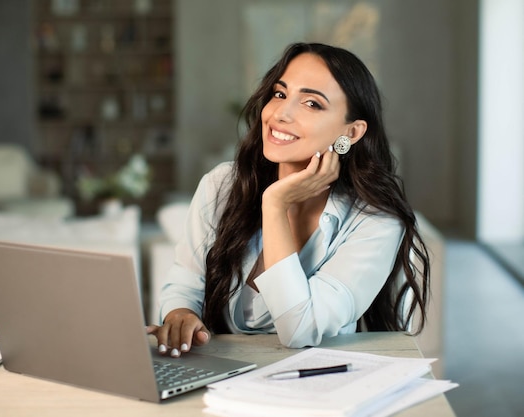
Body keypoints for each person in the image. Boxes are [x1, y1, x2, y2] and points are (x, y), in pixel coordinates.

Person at [147, 42, 430, 358]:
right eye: (280, 94)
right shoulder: (222, 184)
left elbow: (301, 330)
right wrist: (180, 314)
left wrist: (276, 205)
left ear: (351, 133)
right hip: (220, 378)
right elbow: (186, 281)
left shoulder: (376, 221)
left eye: (311, 103)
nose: (281, 113)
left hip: (317, 385)